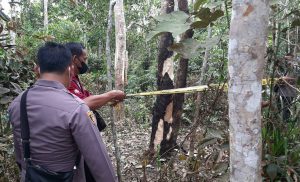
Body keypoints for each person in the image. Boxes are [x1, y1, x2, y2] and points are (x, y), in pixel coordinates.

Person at [9, 42, 118, 181]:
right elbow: (99, 163)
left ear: (38, 69)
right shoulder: (77, 109)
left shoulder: (17, 103)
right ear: (69, 69)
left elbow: (20, 156)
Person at [65, 42, 125, 181]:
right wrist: (110, 95)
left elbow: (87, 97)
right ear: (75, 59)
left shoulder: (75, 79)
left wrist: (108, 99)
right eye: (84, 59)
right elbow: (81, 104)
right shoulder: (66, 80)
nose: (85, 63)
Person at [274, 53, 300, 121]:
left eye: (288, 59)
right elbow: (277, 78)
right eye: (285, 59)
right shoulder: (283, 68)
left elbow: (296, 79)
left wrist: (285, 78)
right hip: (280, 92)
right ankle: (278, 125)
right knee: (278, 110)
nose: (286, 61)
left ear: (293, 59)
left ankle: (284, 126)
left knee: (286, 111)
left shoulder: (296, 68)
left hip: (289, 92)